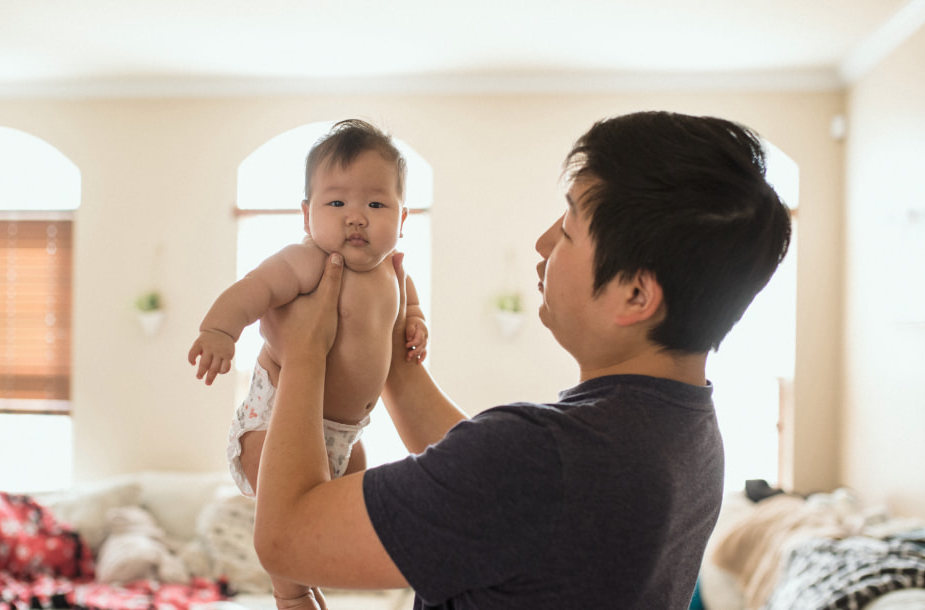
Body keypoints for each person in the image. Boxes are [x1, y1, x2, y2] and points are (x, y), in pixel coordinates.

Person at [250, 111, 793, 609]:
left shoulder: (536, 458)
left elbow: (285, 540)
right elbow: (497, 496)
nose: (541, 243)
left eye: (569, 229)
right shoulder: (684, 428)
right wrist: (385, 344)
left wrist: (303, 356)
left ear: (634, 294)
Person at [186, 119, 429, 607]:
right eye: (336, 203)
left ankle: (314, 571)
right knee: (285, 521)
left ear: (402, 220)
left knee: (351, 504)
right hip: (274, 422)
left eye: (375, 204)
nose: (355, 217)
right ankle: (288, 587)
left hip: (344, 433)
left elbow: (410, 309)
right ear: (306, 214)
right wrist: (219, 330)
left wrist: (417, 322)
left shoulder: (395, 273)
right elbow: (254, 289)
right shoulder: (307, 260)